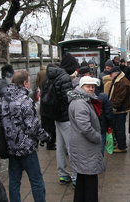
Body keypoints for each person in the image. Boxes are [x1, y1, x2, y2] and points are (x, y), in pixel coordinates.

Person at [0, 70, 51, 202]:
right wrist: (46, 137)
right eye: (28, 81)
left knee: (14, 182)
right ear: (25, 83)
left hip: (11, 148)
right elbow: (33, 127)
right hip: (27, 149)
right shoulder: (26, 101)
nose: (29, 83)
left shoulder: (3, 99)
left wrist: (4, 128)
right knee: (36, 181)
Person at [67, 76, 106, 202]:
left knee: (83, 179)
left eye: (93, 87)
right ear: (81, 87)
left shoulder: (83, 100)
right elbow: (85, 127)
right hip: (85, 148)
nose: (91, 89)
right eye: (88, 86)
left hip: (83, 147)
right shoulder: (80, 103)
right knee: (90, 181)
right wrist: (97, 138)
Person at [43, 53, 77, 185]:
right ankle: (75, 177)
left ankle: (62, 174)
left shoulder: (51, 75)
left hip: (55, 116)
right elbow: (67, 97)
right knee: (71, 147)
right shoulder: (64, 77)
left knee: (60, 146)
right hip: (65, 117)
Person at [108, 66, 130, 153]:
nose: (110, 77)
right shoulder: (120, 79)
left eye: (111, 75)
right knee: (119, 128)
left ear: (115, 73)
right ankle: (120, 145)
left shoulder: (122, 82)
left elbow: (119, 98)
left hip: (120, 110)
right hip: (119, 109)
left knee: (119, 128)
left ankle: (122, 147)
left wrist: (114, 107)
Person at [38, 63, 57, 150]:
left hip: (43, 107)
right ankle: (50, 144)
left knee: (45, 125)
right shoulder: (51, 80)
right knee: (51, 127)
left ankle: (43, 140)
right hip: (48, 108)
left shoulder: (45, 79)